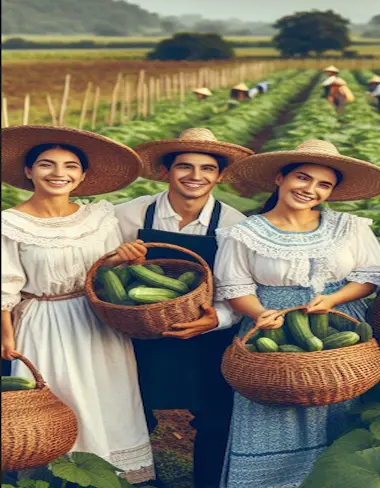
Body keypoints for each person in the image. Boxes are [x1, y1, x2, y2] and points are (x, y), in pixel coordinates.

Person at [215, 139, 380, 487]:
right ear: (280, 178)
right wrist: (261, 313)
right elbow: (235, 287)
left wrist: (334, 299)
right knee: (276, 402)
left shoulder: (350, 227)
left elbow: (370, 275)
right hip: (273, 326)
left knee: (339, 401)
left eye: (323, 185)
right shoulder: (246, 233)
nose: (310, 189)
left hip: (339, 324)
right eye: (302, 177)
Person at [0, 125, 155, 484]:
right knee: (56, 396)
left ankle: (107, 472)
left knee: (108, 396)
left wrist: (126, 259)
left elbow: (103, 272)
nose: (58, 173)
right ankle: (54, 473)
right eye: (46, 164)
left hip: (97, 319)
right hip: (43, 320)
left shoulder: (99, 217)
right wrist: (6, 336)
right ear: (28, 171)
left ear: (82, 175)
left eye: (70, 166)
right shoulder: (10, 223)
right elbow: (5, 286)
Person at [113, 128, 254, 488]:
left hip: (207, 335)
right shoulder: (128, 215)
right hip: (138, 332)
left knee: (215, 418)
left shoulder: (235, 226)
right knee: (132, 412)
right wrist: (117, 260)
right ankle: (135, 478)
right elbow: (96, 268)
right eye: (184, 166)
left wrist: (216, 320)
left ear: (219, 175)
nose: (195, 176)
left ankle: (208, 482)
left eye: (207, 168)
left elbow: (241, 289)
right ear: (166, 171)